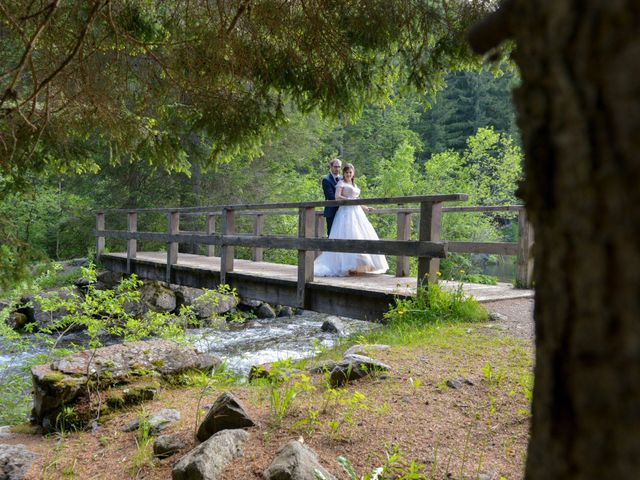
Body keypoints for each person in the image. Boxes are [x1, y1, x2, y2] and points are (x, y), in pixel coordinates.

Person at [315, 163, 389, 277]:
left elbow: (357, 199)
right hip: (345, 213)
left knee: (362, 234)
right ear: (343, 173)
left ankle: (358, 267)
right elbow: (337, 197)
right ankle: (346, 266)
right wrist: (349, 199)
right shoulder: (341, 183)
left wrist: (365, 207)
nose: (348, 174)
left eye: (350, 172)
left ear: (353, 173)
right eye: (346, 172)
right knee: (349, 235)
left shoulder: (354, 184)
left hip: (357, 213)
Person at [322, 158, 342, 235]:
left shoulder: (342, 179)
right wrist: (345, 199)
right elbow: (330, 196)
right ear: (331, 166)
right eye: (335, 166)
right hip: (331, 210)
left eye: (339, 167)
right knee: (331, 233)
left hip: (342, 210)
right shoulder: (326, 180)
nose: (337, 169)